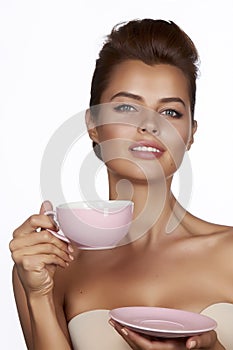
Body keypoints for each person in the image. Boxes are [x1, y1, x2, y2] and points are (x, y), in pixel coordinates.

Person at [9, 18, 233, 350]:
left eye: (170, 112)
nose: (150, 125)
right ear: (93, 124)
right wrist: (39, 296)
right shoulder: (52, 263)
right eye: (127, 107)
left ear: (190, 135)